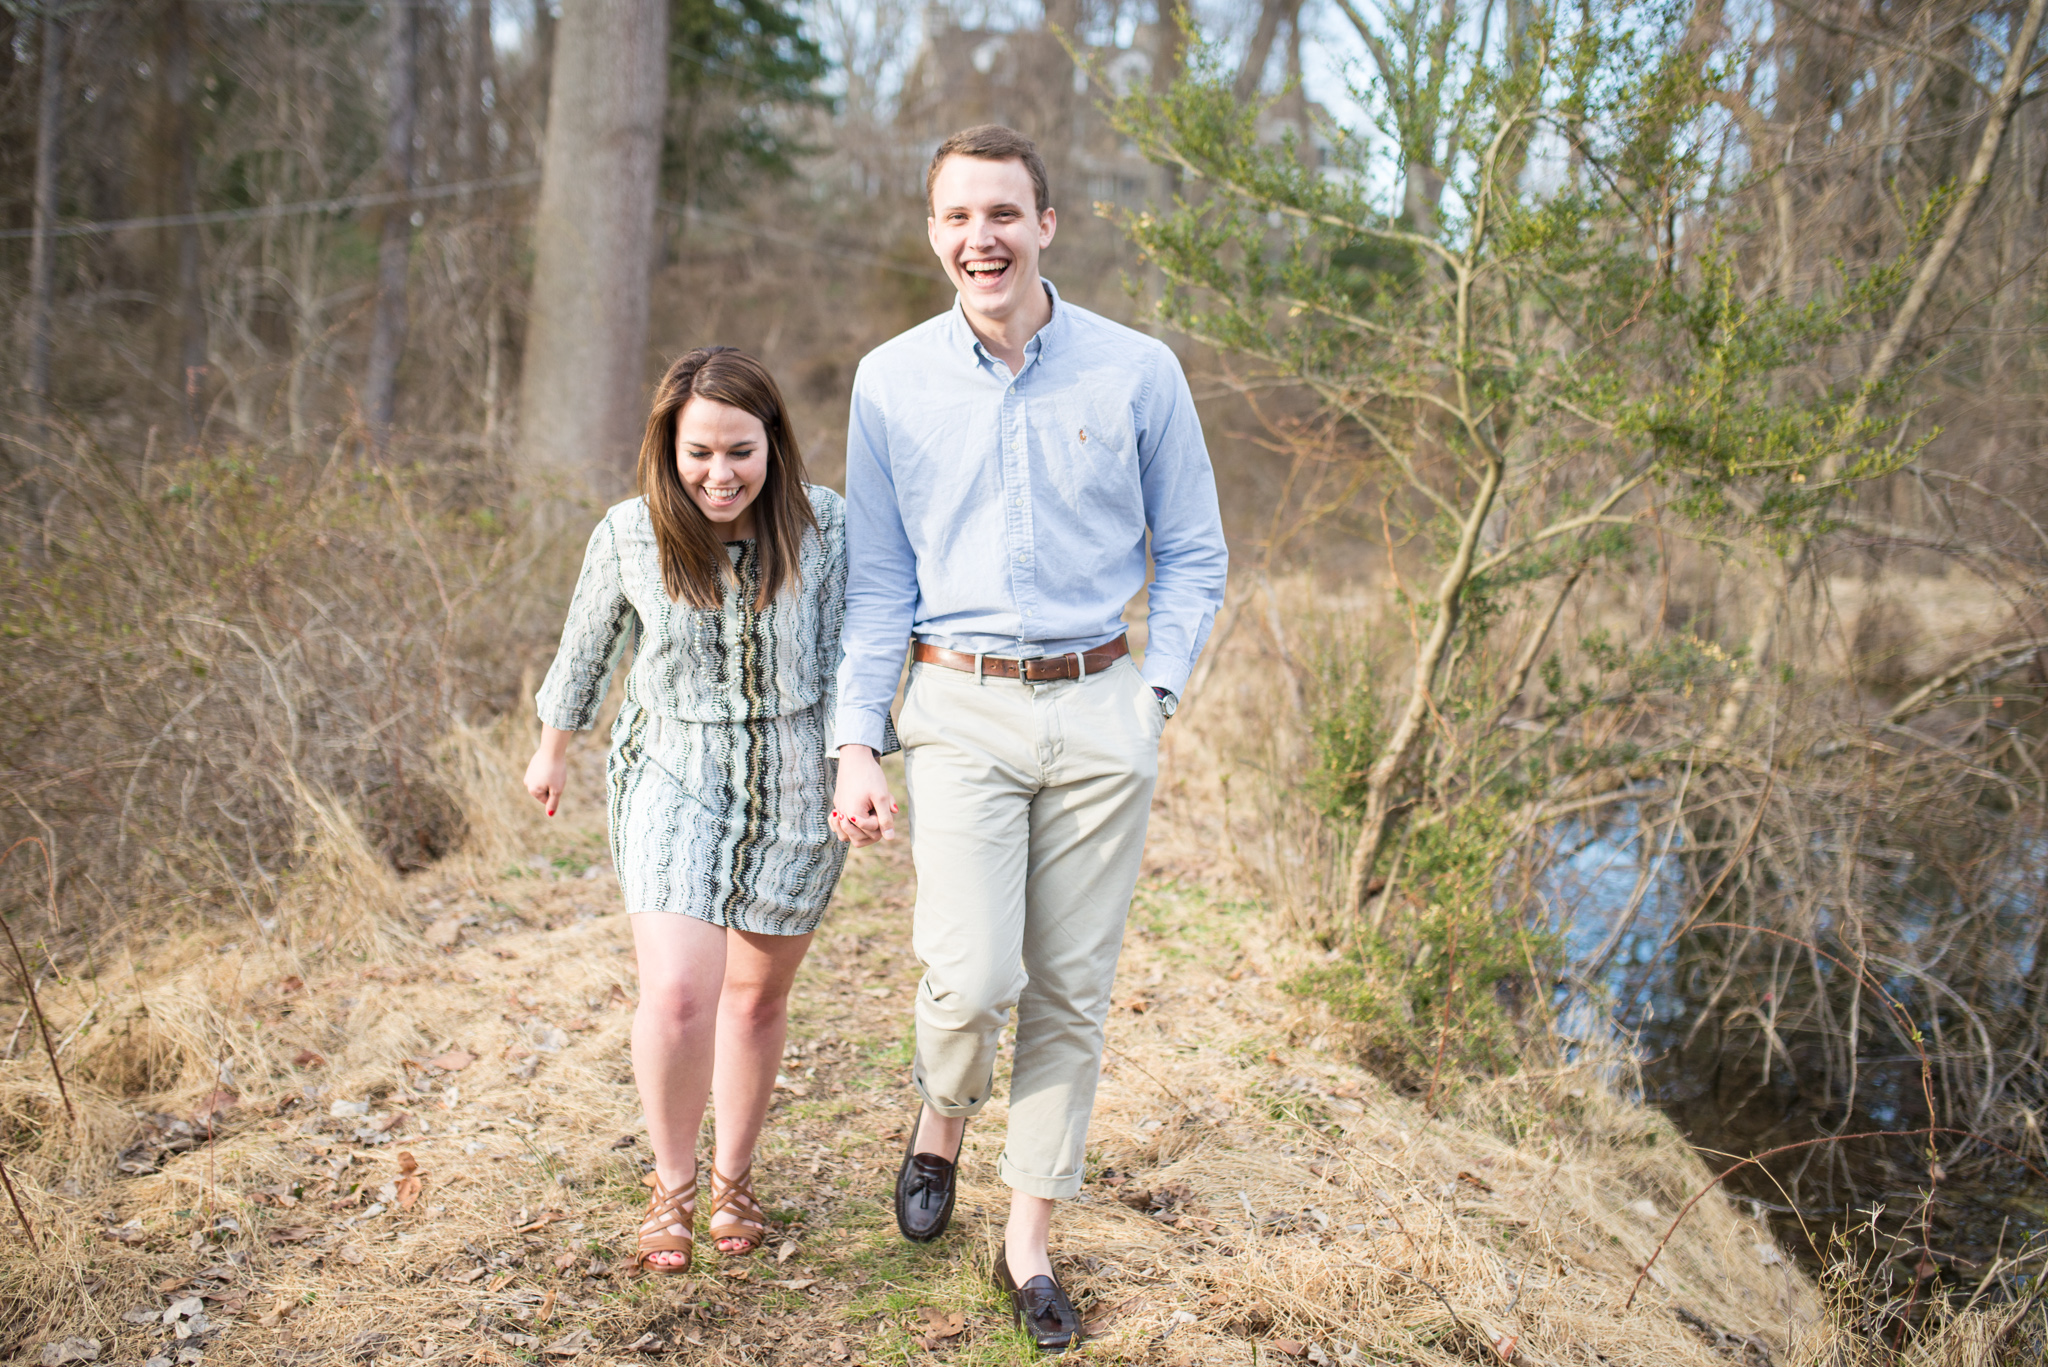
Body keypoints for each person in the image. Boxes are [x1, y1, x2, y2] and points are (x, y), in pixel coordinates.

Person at [830, 125, 1228, 1350]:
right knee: (971, 970)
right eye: (956, 216)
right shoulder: (889, 380)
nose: (979, 237)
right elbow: (879, 584)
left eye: (1002, 213)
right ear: (932, 232)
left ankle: (1026, 1242)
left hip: (1102, 704)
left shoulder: (1136, 371)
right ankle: (939, 1115)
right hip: (956, 704)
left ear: (1046, 224)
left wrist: (1150, 696)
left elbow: (1195, 553)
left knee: (1070, 986)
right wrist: (858, 739)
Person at [524, 347, 883, 1274]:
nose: (719, 474)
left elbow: (859, 655)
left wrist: (862, 760)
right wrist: (553, 747)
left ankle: (734, 1178)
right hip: (672, 771)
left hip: (798, 778)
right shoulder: (629, 534)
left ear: (774, 445)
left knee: (757, 996)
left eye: (739, 451)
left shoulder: (829, 527)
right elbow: (588, 648)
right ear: (667, 448)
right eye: (698, 453)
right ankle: (672, 1184)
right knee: (681, 990)